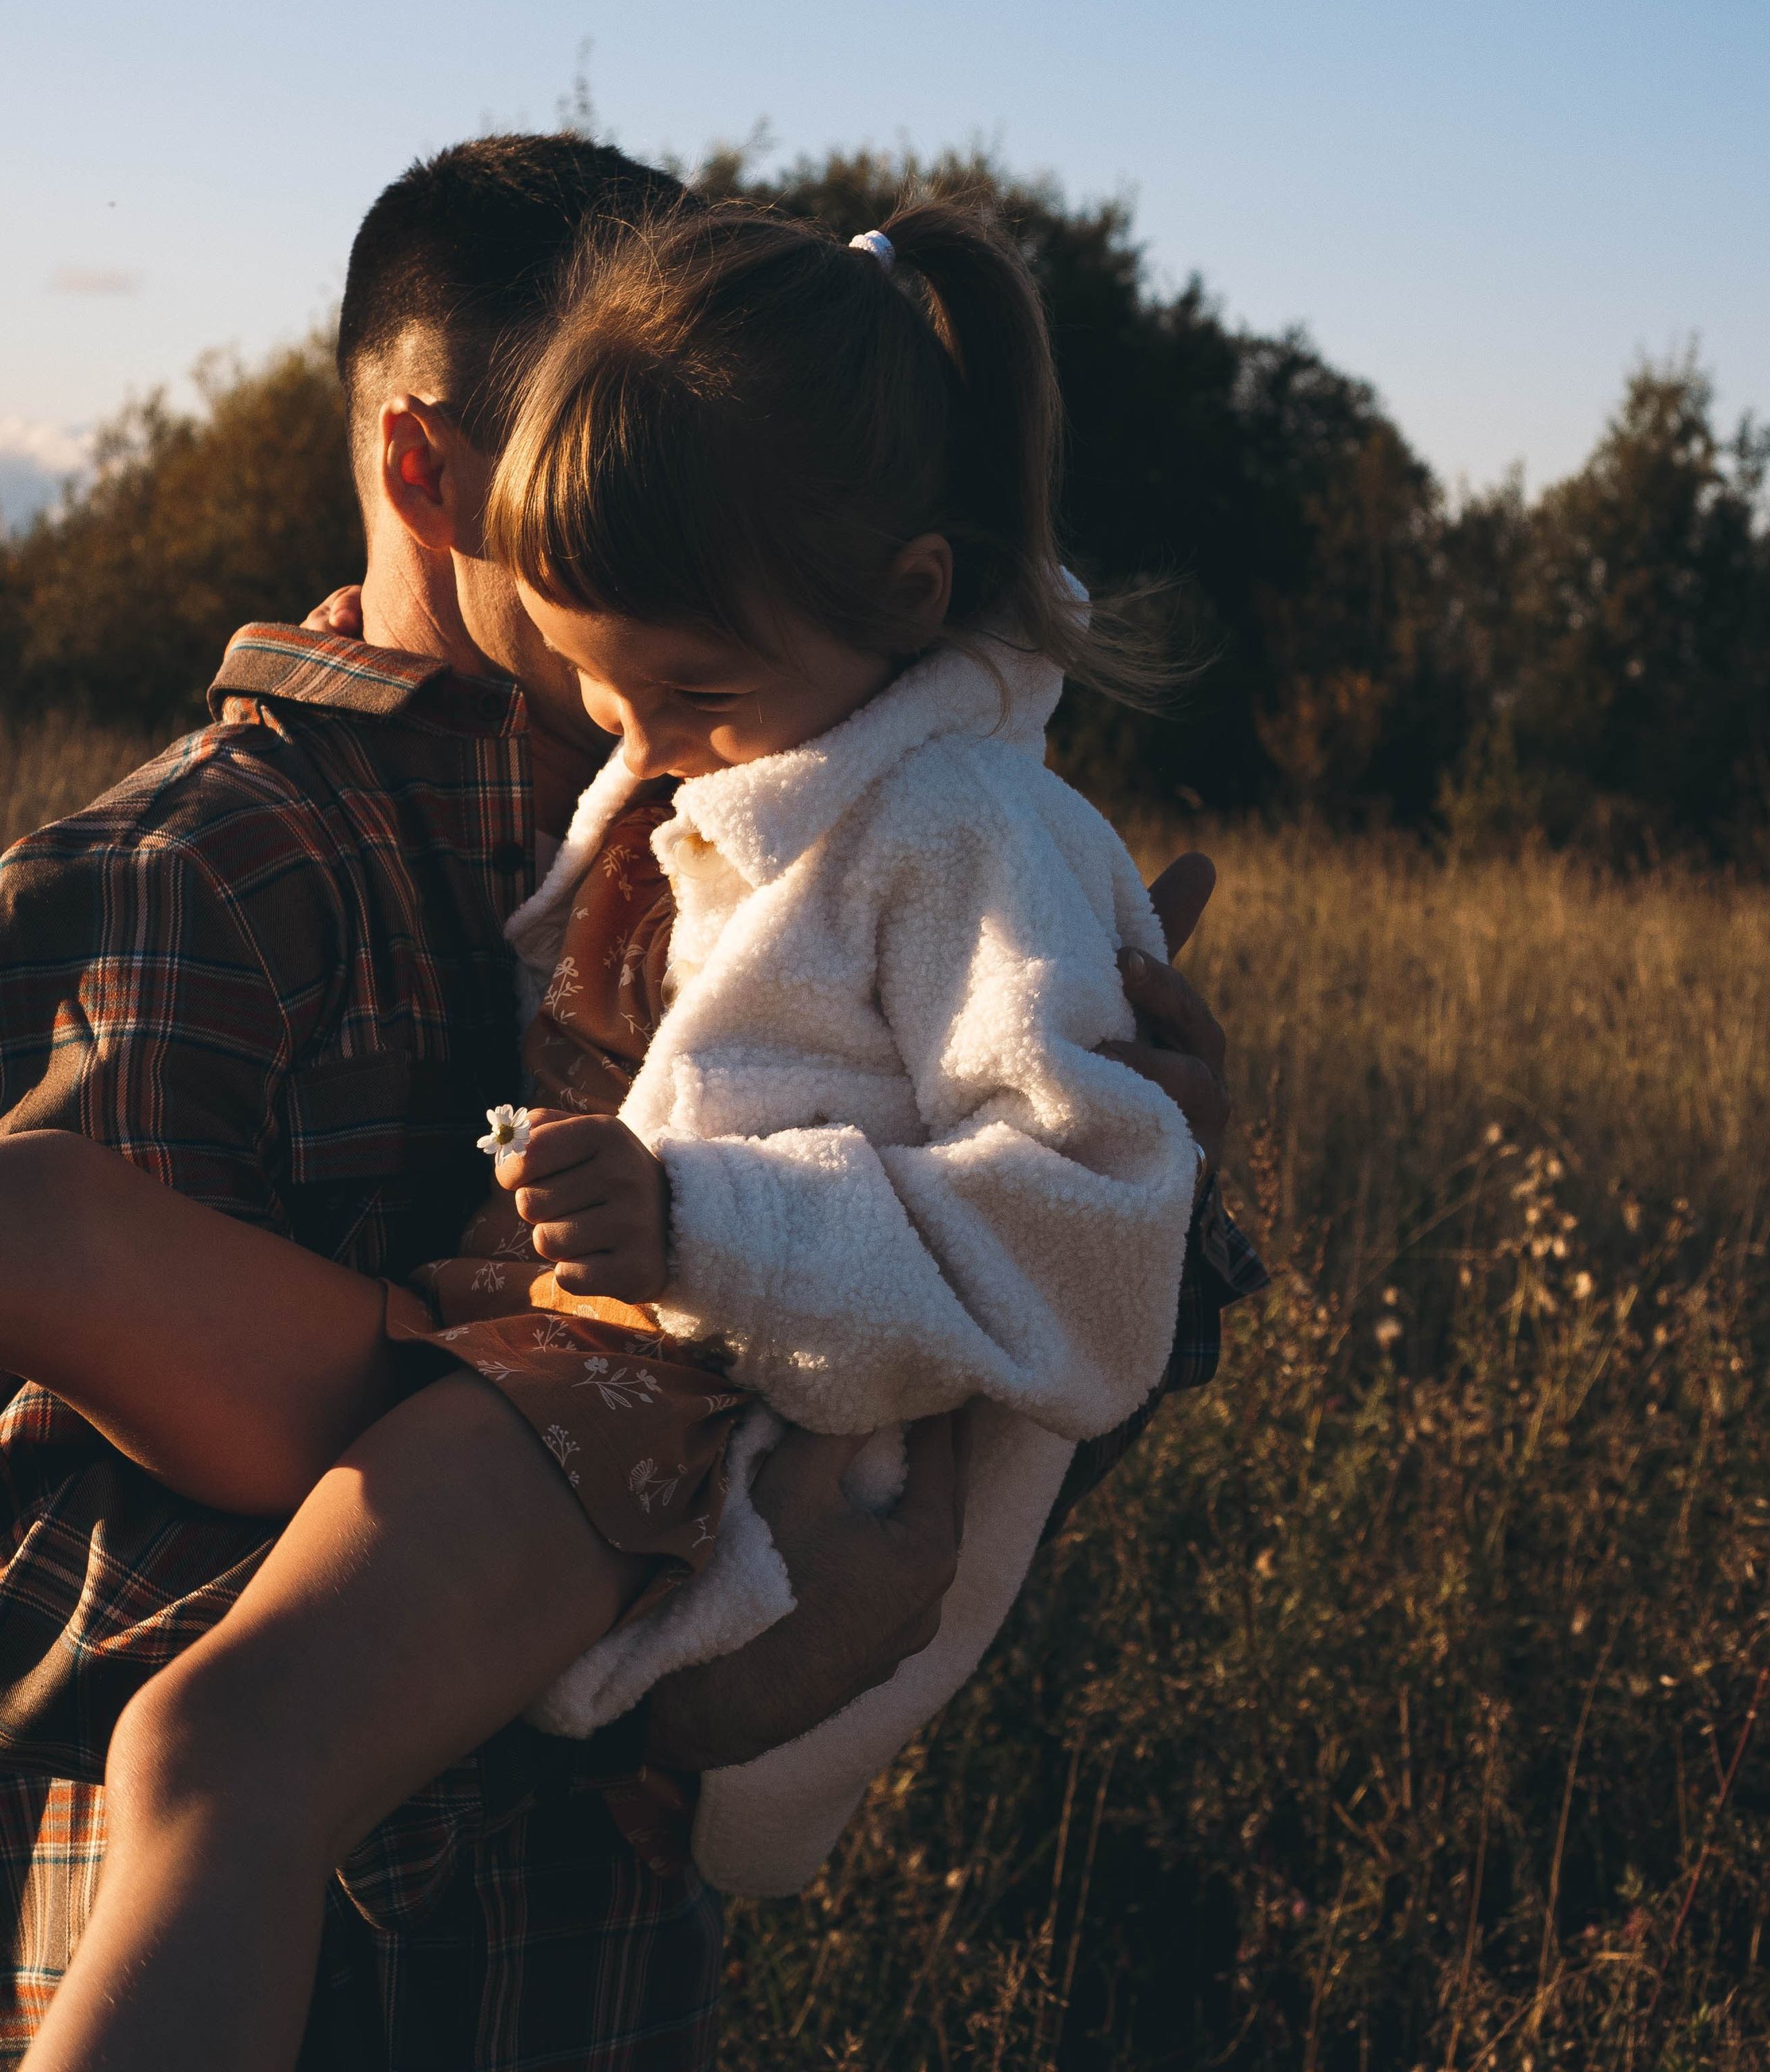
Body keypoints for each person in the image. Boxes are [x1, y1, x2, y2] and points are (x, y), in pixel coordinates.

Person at [0, 138, 1252, 2070]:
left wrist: (1164, 1191)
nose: (640, 732)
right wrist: (686, 1685)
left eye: (683, 671)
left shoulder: (832, 793)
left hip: (588, 1905)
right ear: (445, 467)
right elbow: (78, 1623)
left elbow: (1021, 1344)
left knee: (221, 1734)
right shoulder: (192, 879)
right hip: (340, 1968)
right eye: (612, 664)